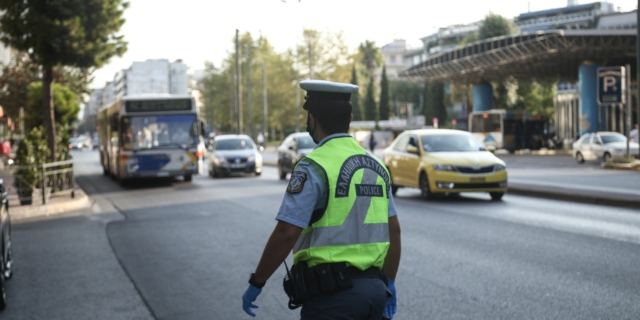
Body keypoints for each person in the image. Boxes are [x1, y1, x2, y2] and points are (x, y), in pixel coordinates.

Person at [242, 80, 402, 320]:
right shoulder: (376, 166)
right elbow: (394, 231)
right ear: (349, 120)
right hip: (375, 293)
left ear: (313, 119)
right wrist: (390, 282)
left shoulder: (313, 166)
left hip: (333, 299)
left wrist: (257, 281)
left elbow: (286, 232)